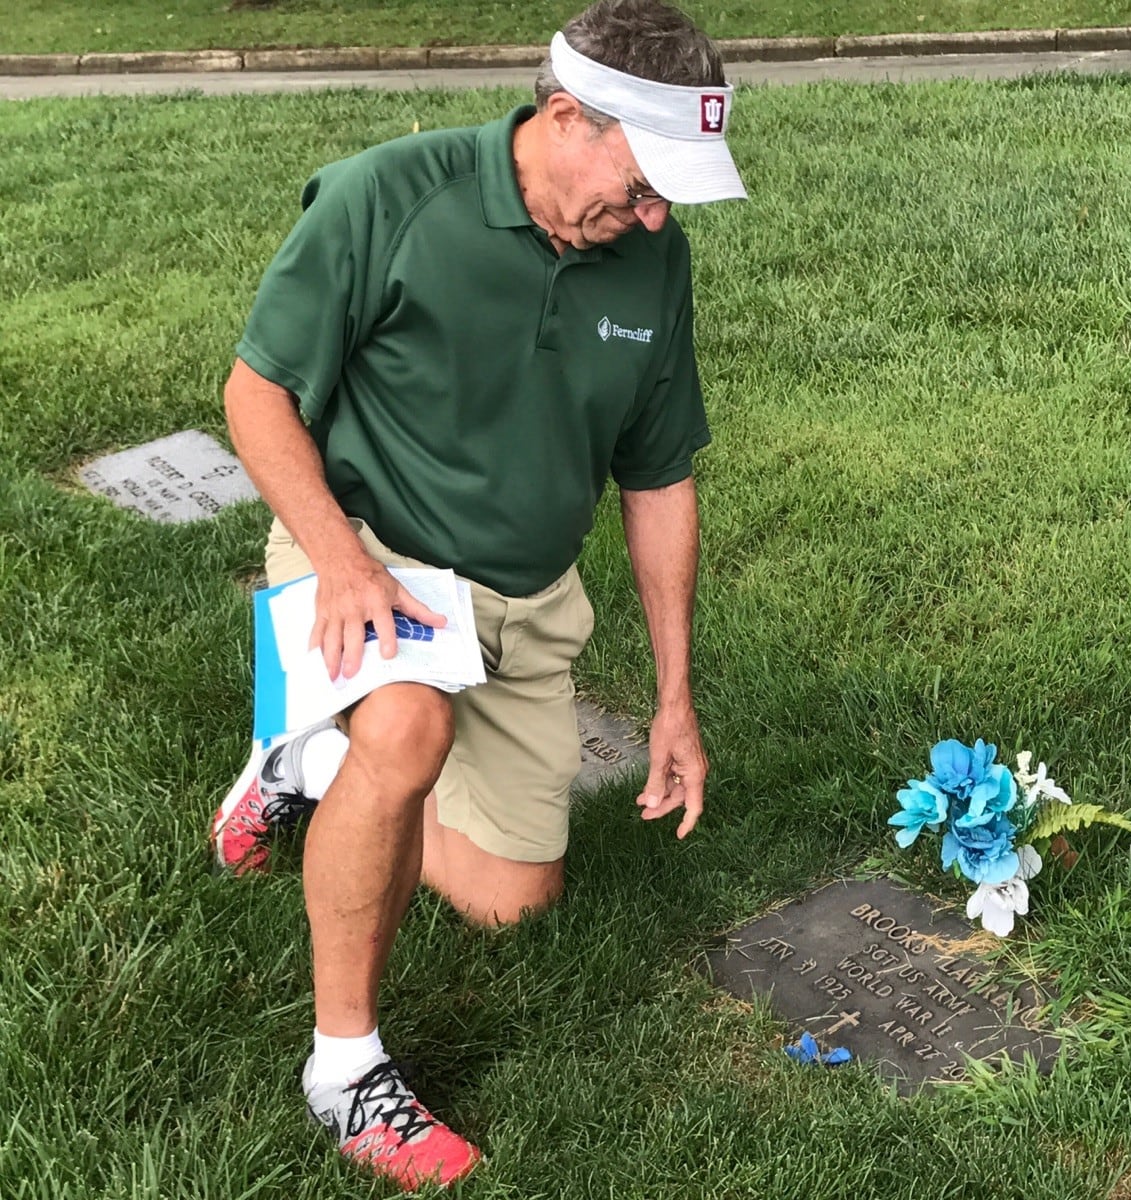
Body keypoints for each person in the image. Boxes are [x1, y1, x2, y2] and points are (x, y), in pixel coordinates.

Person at [209, 0, 745, 1186]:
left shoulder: (652, 253)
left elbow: (658, 476)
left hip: (524, 598)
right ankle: (343, 1068)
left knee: (516, 900)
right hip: (366, 547)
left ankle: (303, 762)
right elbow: (257, 395)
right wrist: (342, 564)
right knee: (408, 727)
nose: (655, 215)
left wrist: (672, 699)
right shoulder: (385, 197)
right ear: (565, 119)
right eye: (646, 183)